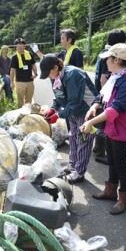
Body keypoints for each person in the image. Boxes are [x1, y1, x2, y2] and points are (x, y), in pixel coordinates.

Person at [80, 43, 126, 215]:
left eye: (108, 58)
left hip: (125, 131)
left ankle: (124, 199)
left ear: (116, 59)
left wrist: (91, 123)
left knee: (123, 165)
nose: (106, 61)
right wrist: (94, 106)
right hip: (112, 128)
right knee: (113, 161)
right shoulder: (116, 76)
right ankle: (110, 191)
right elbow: (102, 95)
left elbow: (116, 108)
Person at [39, 54, 98, 184]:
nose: (48, 77)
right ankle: (72, 164)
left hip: (85, 111)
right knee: (73, 137)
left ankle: (79, 172)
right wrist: (53, 109)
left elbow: (75, 102)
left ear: (55, 67)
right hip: (72, 111)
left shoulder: (73, 74)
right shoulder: (55, 76)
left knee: (83, 141)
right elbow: (58, 95)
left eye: (48, 73)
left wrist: (58, 115)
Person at [93, 29, 126, 165]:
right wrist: (106, 96)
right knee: (105, 124)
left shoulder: (103, 51)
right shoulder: (112, 55)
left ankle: (97, 148)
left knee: (100, 122)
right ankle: (102, 153)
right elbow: (103, 78)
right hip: (105, 94)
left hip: (100, 92)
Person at [10, 38, 38, 108]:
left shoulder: (29, 54)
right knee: (20, 101)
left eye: (22, 45)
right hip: (20, 82)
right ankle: (21, 116)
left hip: (30, 81)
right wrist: (11, 82)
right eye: (18, 45)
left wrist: (35, 74)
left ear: (24, 46)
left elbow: (33, 65)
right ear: (16, 47)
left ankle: (28, 115)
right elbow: (12, 70)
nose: (20, 46)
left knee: (29, 100)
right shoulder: (14, 57)